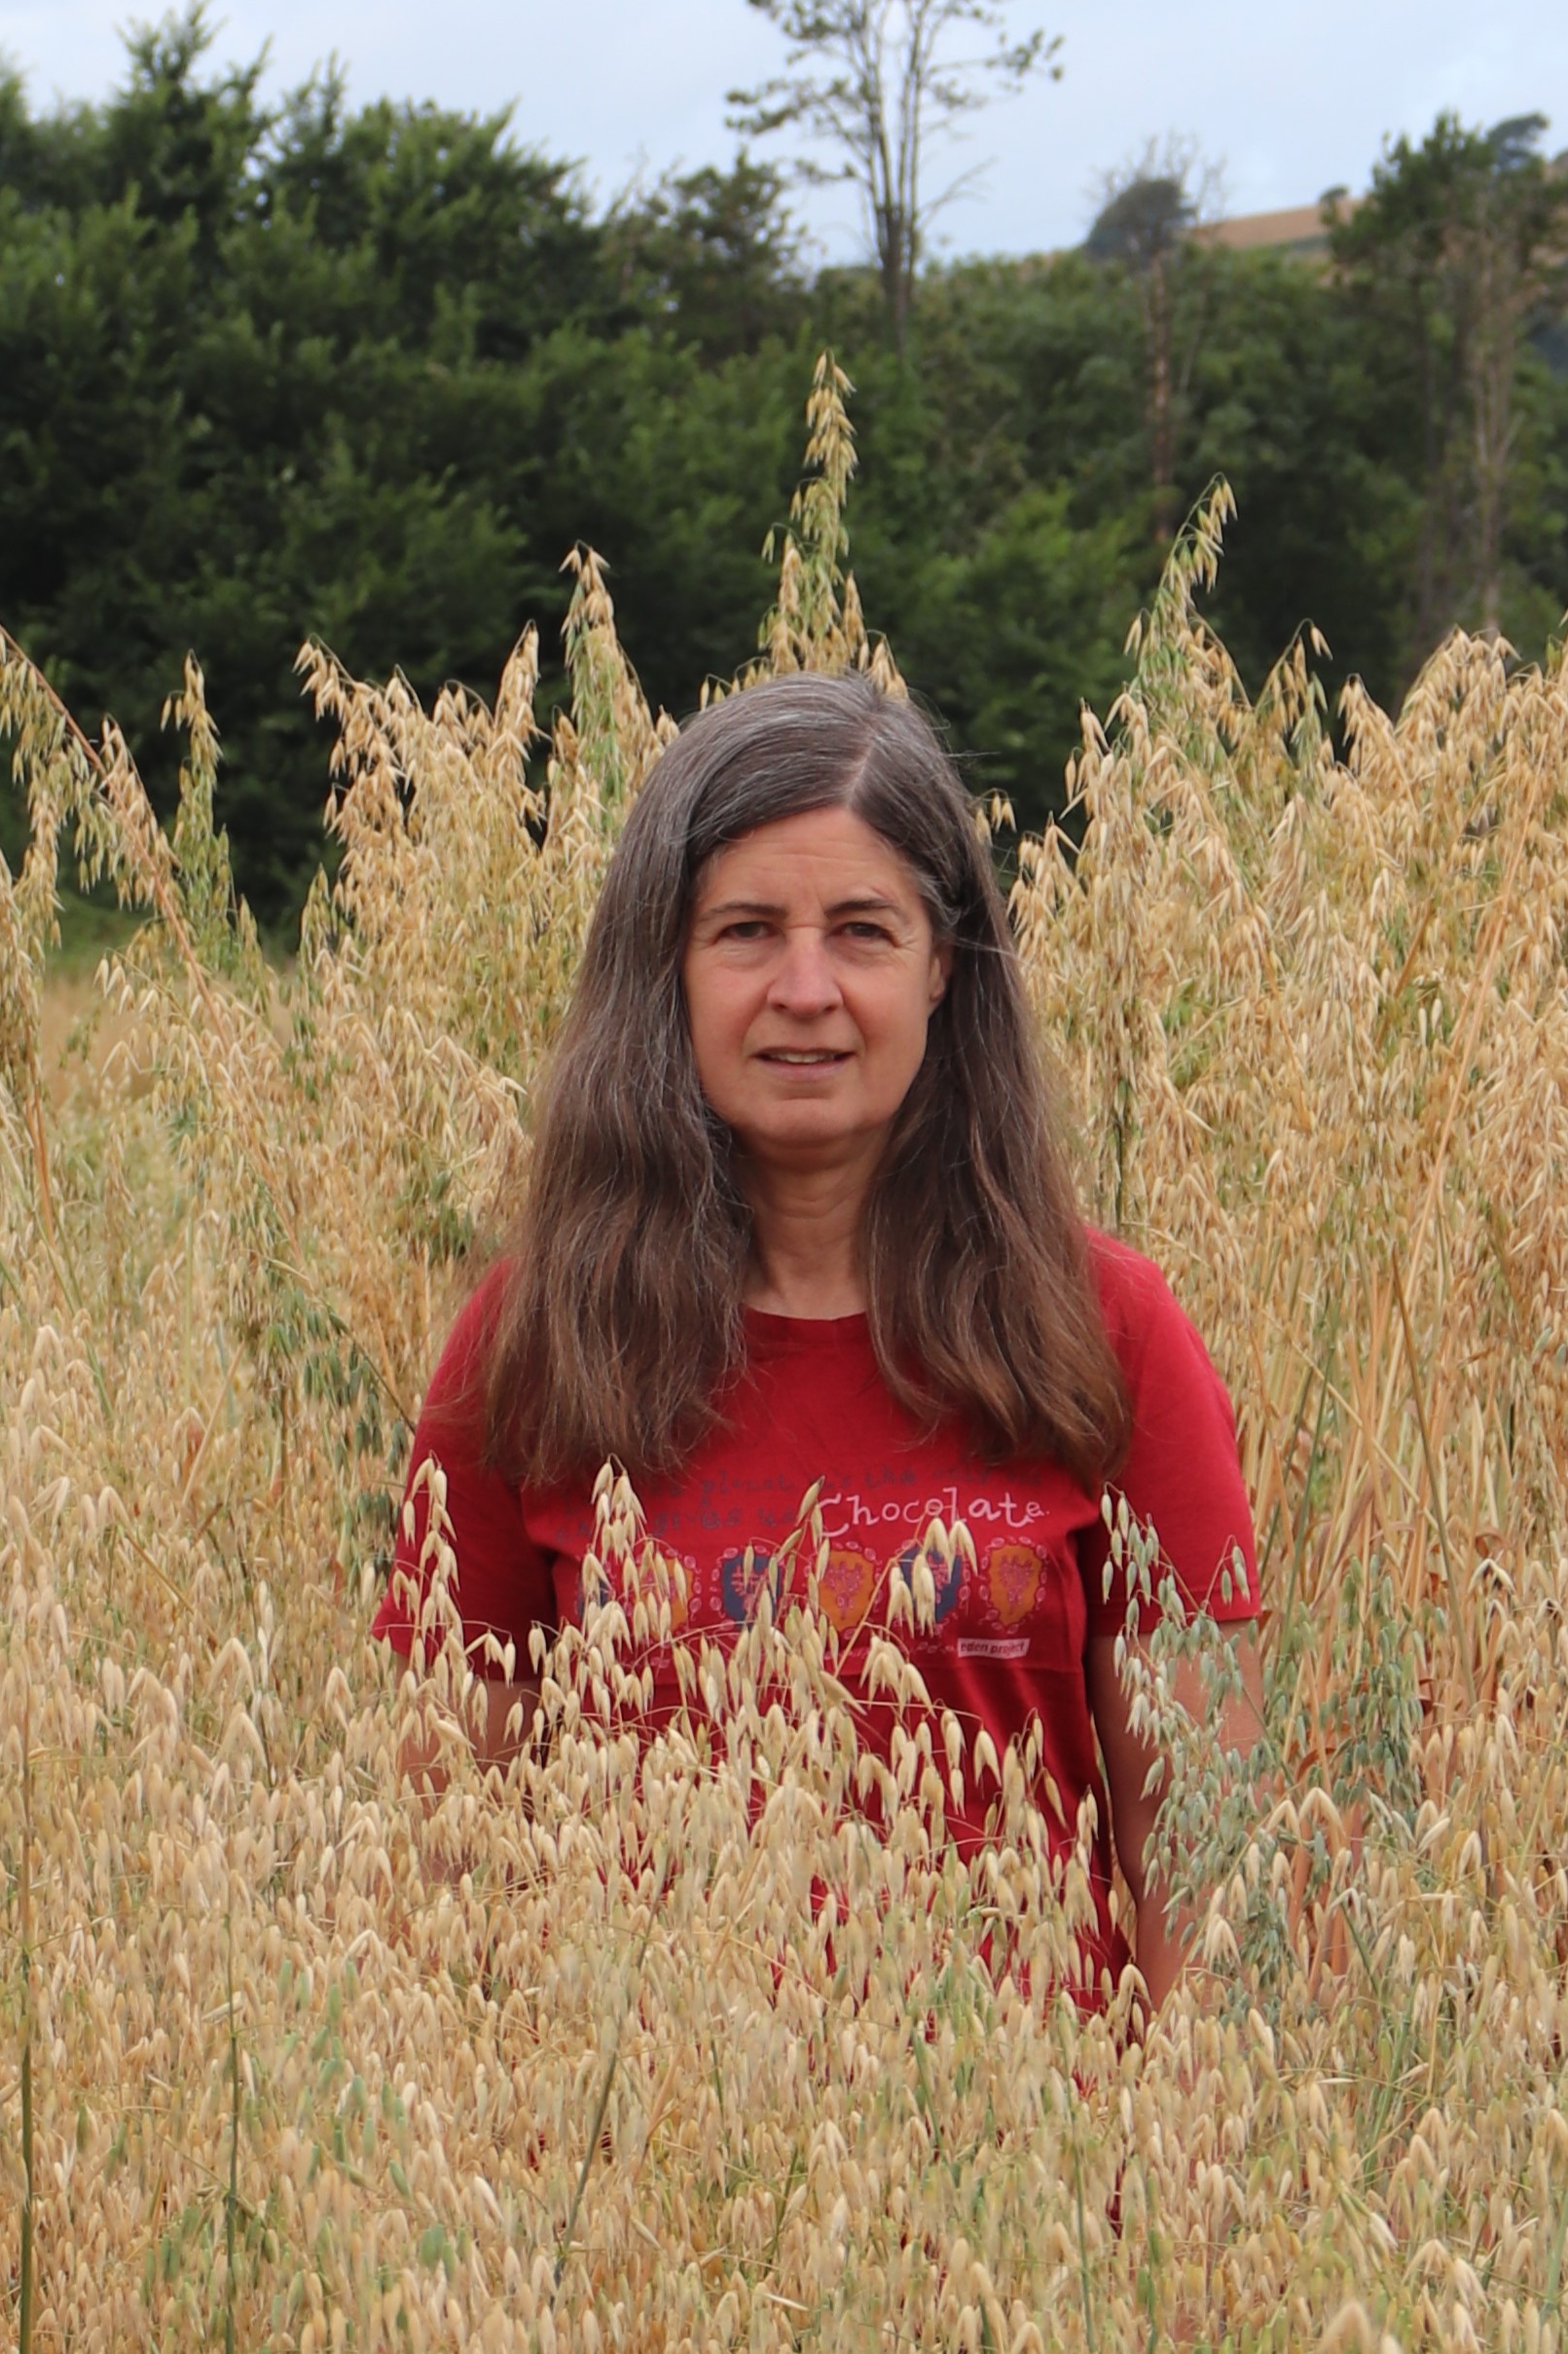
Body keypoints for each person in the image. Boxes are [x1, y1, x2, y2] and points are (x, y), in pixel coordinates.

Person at [373, 670, 1265, 2009]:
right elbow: (435, 1881)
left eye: (862, 930)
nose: (805, 988)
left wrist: (1188, 2186)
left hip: (1038, 2188)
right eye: (744, 931)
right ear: (662, 970)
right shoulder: (535, 1347)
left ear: (943, 968)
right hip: (645, 2192)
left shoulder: (1107, 1333)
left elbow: (1205, 1870)